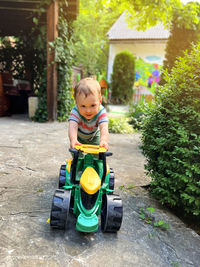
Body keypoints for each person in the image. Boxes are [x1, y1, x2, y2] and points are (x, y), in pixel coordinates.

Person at [68, 77, 109, 150]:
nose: (88, 111)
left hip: (94, 137)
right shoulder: (75, 111)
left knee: (99, 154)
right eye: (83, 106)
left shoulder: (101, 111)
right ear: (77, 103)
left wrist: (103, 140)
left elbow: (104, 127)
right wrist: (73, 139)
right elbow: (72, 126)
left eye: (93, 105)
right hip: (79, 137)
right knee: (75, 152)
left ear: (99, 102)